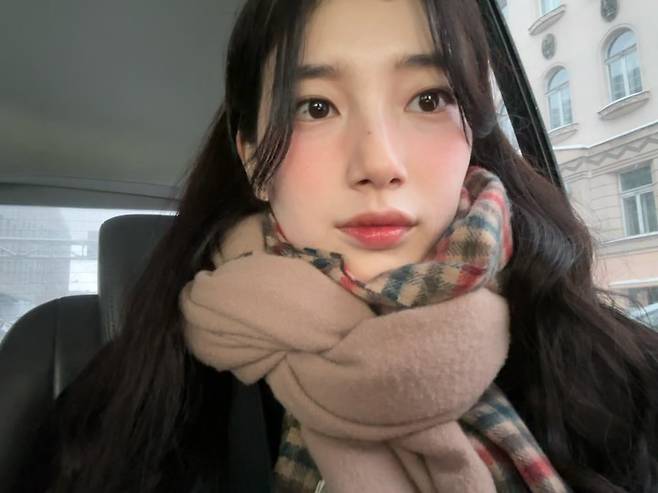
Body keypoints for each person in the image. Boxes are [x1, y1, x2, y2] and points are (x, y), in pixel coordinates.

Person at [17, 0, 658, 491]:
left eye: (429, 98)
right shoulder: (122, 414)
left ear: (472, 137)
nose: (378, 163)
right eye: (315, 107)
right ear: (253, 160)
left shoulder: (627, 382)